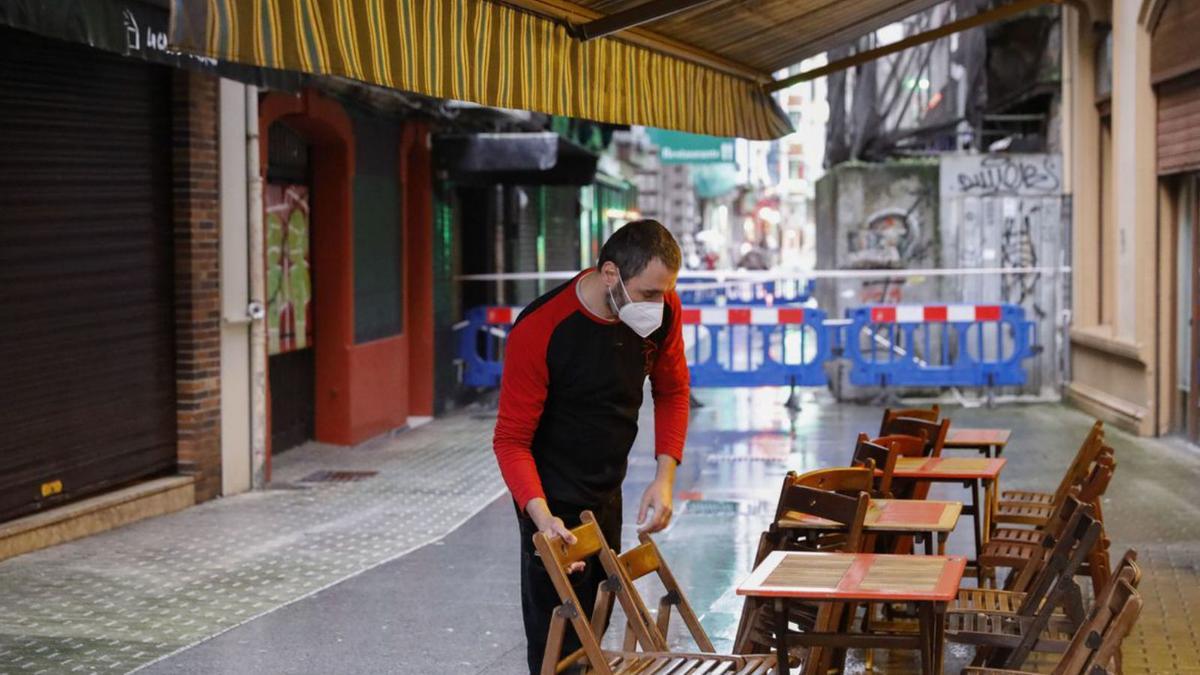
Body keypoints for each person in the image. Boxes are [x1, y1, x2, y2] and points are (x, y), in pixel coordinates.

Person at [492, 219, 690, 673]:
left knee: (595, 630)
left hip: (607, 489)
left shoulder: (663, 312)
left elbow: (673, 391)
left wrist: (664, 479)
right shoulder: (541, 328)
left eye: (665, 293)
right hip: (549, 496)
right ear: (609, 274)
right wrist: (543, 520)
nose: (658, 305)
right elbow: (511, 440)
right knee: (556, 646)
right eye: (647, 294)